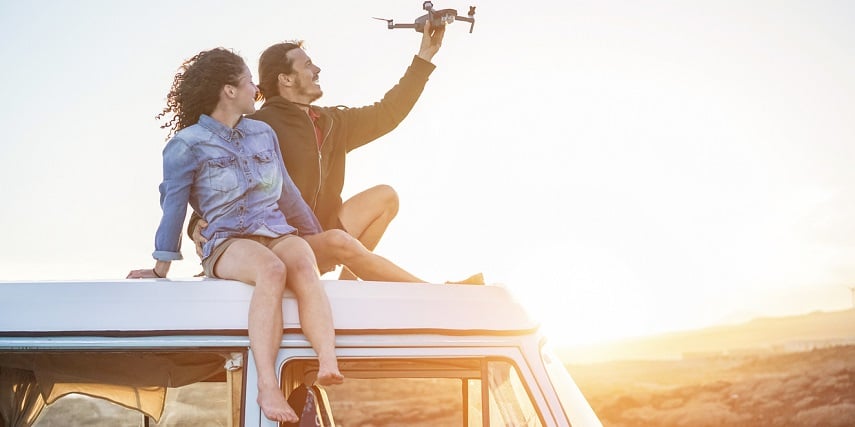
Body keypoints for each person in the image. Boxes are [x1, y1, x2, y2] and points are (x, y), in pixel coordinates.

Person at [126, 47, 343, 423]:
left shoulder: (262, 132)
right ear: (229, 91)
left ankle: (327, 359)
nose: (256, 88)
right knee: (272, 271)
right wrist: (161, 267)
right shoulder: (186, 145)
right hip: (227, 240)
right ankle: (267, 386)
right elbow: (173, 206)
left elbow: (287, 193)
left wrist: (315, 238)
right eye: (248, 82)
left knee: (302, 261)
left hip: (274, 227)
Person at [188, 21, 487, 284]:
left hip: (320, 230)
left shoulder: (331, 123)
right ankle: (434, 295)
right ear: (286, 78)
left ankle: (349, 289)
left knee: (385, 197)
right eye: (307, 65)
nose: (316, 69)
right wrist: (195, 224)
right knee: (338, 242)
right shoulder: (258, 126)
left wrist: (424, 58)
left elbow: (389, 112)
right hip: (281, 242)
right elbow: (214, 175)